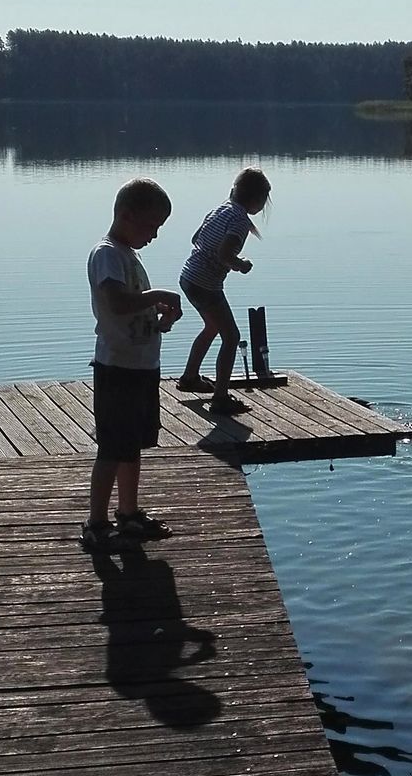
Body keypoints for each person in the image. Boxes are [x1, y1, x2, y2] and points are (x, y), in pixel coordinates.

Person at [82, 177, 182, 552]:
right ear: (126, 215)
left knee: (133, 445)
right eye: (151, 226)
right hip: (117, 369)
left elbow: (135, 308)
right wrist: (155, 295)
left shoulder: (130, 257)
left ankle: (128, 512)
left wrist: (161, 318)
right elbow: (117, 303)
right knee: (111, 447)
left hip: (142, 366)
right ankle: (96, 521)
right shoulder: (106, 254)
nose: (154, 235)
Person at [175, 167, 271, 414]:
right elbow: (224, 253)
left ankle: (189, 377)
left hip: (189, 277)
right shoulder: (239, 222)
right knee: (232, 337)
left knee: (212, 327)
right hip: (206, 284)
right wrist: (240, 265)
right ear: (258, 201)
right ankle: (220, 398)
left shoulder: (220, 209)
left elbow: (196, 238)